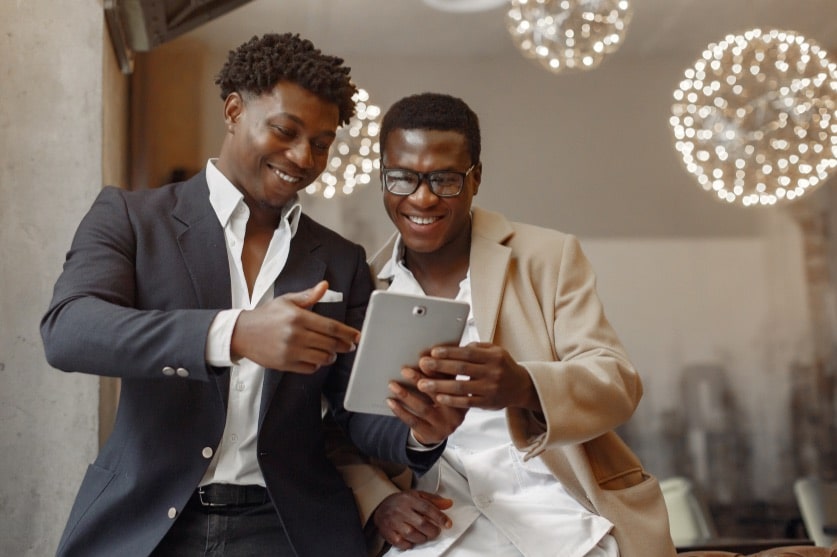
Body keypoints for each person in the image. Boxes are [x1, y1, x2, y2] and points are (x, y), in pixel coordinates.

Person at [40, 35, 461, 557]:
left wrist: (420, 431)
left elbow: (357, 412)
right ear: (234, 110)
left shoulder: (341, 259)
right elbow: (69, 331)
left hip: (288, 528)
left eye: (323, 143)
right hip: (146, 521)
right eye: (285, 131)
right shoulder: (131, 218)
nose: (304, 157)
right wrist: (234, 334)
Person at [329, 92, 677, 557]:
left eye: (445, 179)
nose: (423, 197)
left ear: (476, 178)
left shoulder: (547, 257)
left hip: (565, 525)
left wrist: (524, 385)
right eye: (402, 178)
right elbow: (337, 425)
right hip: (439, 535)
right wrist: (380, 500)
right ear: (383, 179)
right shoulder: (364, 287)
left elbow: (616, 381)